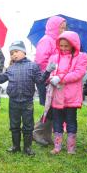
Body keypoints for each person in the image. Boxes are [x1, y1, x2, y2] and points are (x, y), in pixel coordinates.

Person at [0, 41, 54, 156]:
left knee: (28, 126)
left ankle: (27, 148)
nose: (14, 55)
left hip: (27, 102)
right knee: (14, 125)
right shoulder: (10, 68)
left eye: (16, 51)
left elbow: (40, 80)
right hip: (13, 102)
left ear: (24, 52)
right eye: (11, 53)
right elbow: (0, 79)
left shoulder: (33, 66)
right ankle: (15, 146)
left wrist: (47, 71)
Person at [47, 31, 87, 155]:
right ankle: (57, 147)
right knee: (57, 121)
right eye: (61, 45)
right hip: (57, 96)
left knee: (71, 121)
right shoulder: (54, 57)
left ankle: (71, 148)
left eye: (66, 46)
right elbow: (49, 72)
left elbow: (79, 73)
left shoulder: (81, 57)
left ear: (73, 45)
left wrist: (60, 78)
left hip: (71, 96)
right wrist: (51, 78)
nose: (63, 48)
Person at [33, 16, 67, 146]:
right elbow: (41, 61)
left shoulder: (58, 41)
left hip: (55, 80)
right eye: (61, 28)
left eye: (64, 28)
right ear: (54, 27)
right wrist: (49, 77)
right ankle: (37, 132)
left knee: (54, 107)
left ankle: (45, 135)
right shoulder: (46, 40)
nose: (63, 30)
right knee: (51, 107)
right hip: (47, 80)